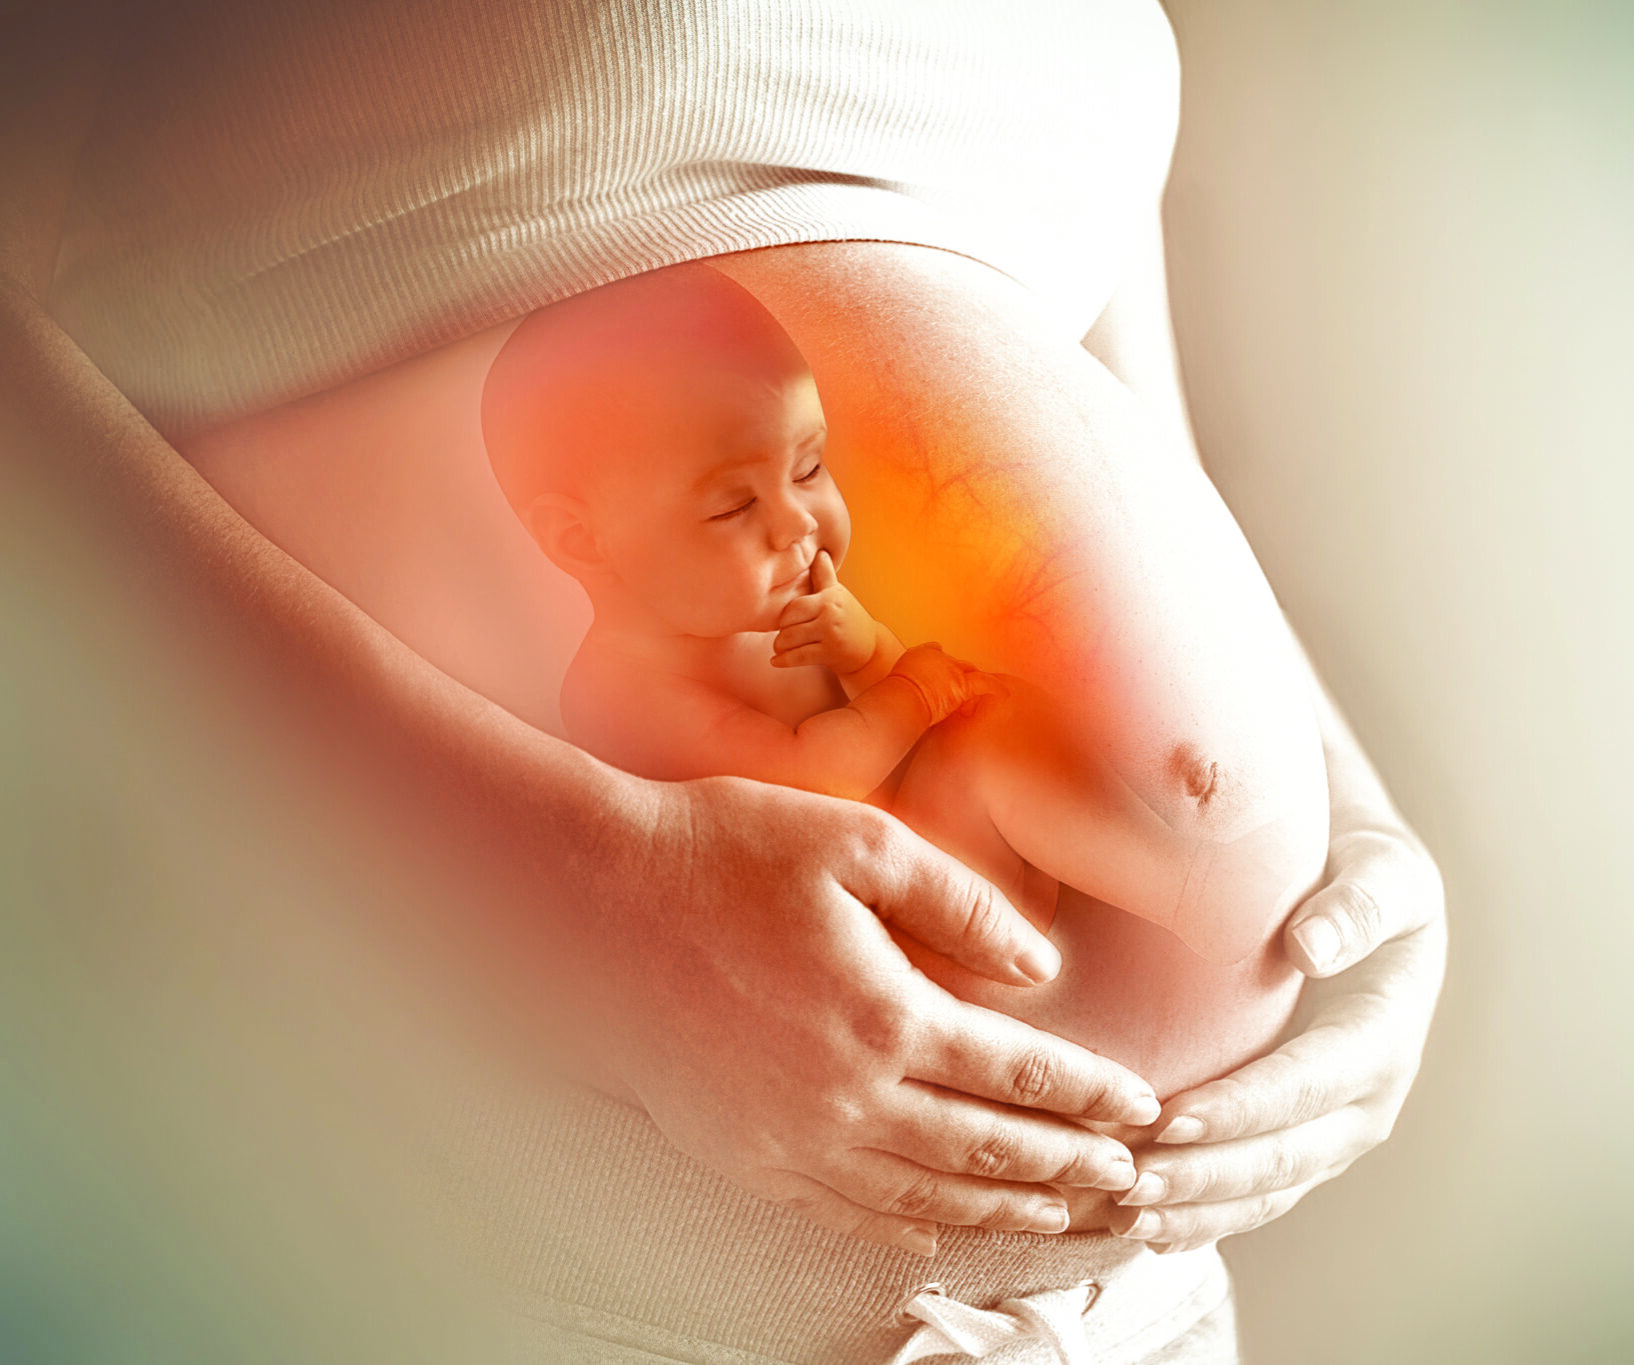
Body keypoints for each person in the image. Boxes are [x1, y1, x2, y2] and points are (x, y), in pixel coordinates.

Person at [1, 2, 1448, 1360]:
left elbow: (1114, 419)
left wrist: (1342, 850)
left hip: (1131, 1304)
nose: (804, 529)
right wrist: (585, 886)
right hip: (538, 1262)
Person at [479, 262, 1323, 967]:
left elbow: (881, 703)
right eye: (731, 508)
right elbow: (810, 779)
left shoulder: (771, 606)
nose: (797, 522)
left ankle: (1166, 874)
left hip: (937, 872)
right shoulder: (624, 689)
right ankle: (1186, 890)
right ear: (581, 540)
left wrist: (865, 653)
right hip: (876, 931)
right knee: (977, 757)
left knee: (994, 721)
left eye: (809, 467)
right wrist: (913, 689)